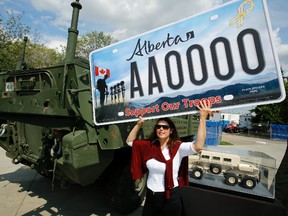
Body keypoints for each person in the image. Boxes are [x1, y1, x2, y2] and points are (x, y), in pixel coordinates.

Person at [126, 100, 212, 216]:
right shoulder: (149, 145)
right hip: (151, 196)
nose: (161, 129)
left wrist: (202, 117)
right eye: (158, 127)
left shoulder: (178, 147)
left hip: (170, 197)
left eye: (165, 127)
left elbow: (198, 146)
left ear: (171, 130)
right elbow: (130, 141)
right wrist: (139, 124)